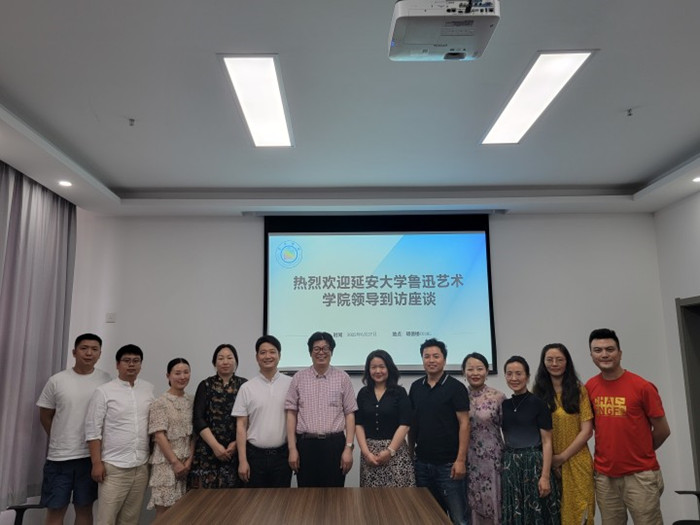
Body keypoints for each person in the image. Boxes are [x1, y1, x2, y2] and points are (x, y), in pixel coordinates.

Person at [586, 328, 670, 525]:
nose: (604, 354)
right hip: (605, 477)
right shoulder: (589, 387)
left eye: (610, 349)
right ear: (591, 355)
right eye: (598, 350)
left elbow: (663, 430)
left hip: (640, 475)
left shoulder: (642, 386)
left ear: (620, 353)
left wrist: (640, 451)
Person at [36, 333, 111, 525]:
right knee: (55, 510)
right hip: (59, 458)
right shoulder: (57, 380)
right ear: (74, 352)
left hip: (89, 457)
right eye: (84, 348)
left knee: (85, 508)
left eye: (94, 349)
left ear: (100, 354)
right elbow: (45, 415)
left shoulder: (106, 381)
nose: (89, 353)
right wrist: (58, 438)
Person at [85, 344, 155, 525]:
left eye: (136, 361)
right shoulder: (104, 391)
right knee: (106, 520)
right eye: (126, 360)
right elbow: (93, 430)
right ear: (117, 364)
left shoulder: (148, 389)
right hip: (113, 468)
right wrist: (96, 463)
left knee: (130, 519)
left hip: (141, 466)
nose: (131, 364)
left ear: (141, 365)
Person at [408, 338, 470, 525]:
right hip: (422, 464)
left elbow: (464, 424)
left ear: (444, 359)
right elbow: (413, 424)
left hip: (449, 465)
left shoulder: (456, 387)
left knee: (459, 519)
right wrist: (410, 454)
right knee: (429, 517)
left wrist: (460, 460)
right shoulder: (416, 387)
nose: (431, 360)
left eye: (436, 356)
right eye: (427, 356)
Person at [285, 331, 357, 487]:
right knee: (306, 495)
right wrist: (292, 448)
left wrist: (348, 448)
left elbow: (350, 414)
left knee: (335, 495)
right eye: (316, 349)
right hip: (306, 445)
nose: (321, 352)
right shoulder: (298, 378)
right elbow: (291, 413)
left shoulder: (343, 378)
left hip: (334, 445)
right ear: (310, 352)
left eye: (325, 348)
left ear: (332, 351)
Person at [533, 343, 594, 525]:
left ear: (567, 362)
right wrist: (552, 462)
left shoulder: (579, 390)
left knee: (581, 514)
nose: (554, 364)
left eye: (559, 359)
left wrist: (562, 457)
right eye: (550, 360)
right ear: (543, 363)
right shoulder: (537, 394)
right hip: (548, 463)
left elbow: (587, 431)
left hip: (577, 460)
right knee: (553, 515)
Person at [501, 355, 560, 525]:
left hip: (534, 466)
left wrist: (545, 476)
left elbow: (547, 442)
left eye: (519, 373)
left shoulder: (538, 404)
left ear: (527, 376)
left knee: (537, 515)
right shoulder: (504, 405)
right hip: (511, 467)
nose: (514, 378)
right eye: (509, 374)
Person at [232, 335, 293, 487]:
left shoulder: (291, 384)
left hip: (282, 456)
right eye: (263, 352)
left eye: (272, 352)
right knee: (255, 500)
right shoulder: (247, 388)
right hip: (254, 457)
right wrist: (242, 460)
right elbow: (241, 426)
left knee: (282, 500)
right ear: (257, 357)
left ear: (279, 355)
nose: (267, 356)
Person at [189, 344, 247, 488]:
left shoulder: (245, 385)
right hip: (208, 451)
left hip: (236, 451)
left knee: (235, 498)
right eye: (220, 358)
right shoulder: (205, 385)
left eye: (229, 358)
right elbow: (198, 419)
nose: (225, 362)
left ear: (236, 361)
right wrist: (215, 446)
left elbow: (250, 419)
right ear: (214, 363)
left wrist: (236, 444)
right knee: (206, 498)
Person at [355, 349, 415, 487]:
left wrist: (390, 451)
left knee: (398, 497)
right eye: (373, 367)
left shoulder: (399, 392)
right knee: (371, 498)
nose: (378, 371)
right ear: (368, 370)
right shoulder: (363, 393)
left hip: (395, 453)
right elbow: (358, 424)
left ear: (389, 368)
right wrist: (366, 453)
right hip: (370, 455)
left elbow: (405, 424)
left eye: (382, 367)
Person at [147, 358, 194, 518]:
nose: (182, 377)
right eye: (177, 373)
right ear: (168, 376)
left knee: (184, 513)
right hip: (166, 464)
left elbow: (194, 435)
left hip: (187, 465)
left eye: (186, 372)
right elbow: (159, 436)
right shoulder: (160, 403)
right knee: (165, 513)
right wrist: (175, 463)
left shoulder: (192, 401)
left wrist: (189, 461)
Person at [461, 352, 505, 525]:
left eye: (479, 369)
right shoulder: (458, 397)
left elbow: (507, 428)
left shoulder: (498, 397)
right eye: (470, 369)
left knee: (492, 499)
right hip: (467, 457)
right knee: (470, 501)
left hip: (492, 458)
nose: (475, 373)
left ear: (487, 371)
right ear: (464, 372)